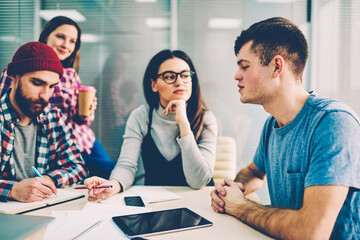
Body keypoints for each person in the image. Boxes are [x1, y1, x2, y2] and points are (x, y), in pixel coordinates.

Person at [210, 17, 360, 239]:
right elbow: (253, 172)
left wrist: (239, 206)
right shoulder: (272, 124)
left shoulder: (333, 123)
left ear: (276, 66)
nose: (236, 75)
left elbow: (310, 232)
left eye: (244, 66)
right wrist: (232, 188)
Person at [84, 50, 218, 200]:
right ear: (154, 85)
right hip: (155, 204)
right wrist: (112, 186)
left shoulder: (206, 119)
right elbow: (127, 165)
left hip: (198, 203)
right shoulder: (141, 116)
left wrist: (183, 123)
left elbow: (198, 182)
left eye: (185, 75)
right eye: (169, 77)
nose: (180, 82)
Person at [0, 16, 114, 179]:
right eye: (61, 36)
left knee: (114, 171)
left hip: (73, 134)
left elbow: (78, 119)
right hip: (44, 134)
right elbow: (7, 107)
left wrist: (86, 113)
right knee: (108, 170)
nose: (66, 45)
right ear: (46, 35)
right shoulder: (21, 66)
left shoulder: (70, 76)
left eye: (72, 41)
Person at [0, 41, 87, 202]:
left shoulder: (53, 117)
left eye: (52, 86)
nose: (45, 96)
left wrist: (49, 180)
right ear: (14, 78)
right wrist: (11, 190)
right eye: (37, 83)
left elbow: (78, 166)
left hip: (44, 210)